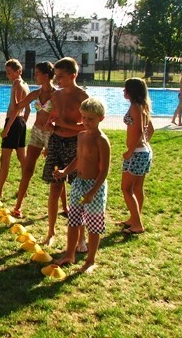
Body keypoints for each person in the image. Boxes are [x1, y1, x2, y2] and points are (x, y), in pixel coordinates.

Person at [54, 97, 111, 273]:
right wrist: (64, 171)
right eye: (84, 118)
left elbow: (104, 170)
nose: (86, 122)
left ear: (101, 118)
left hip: (95, 186)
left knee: (94, 225)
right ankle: (70, 254)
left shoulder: (102, 140)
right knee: (73, 221)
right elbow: (79, 159)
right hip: (79, 183)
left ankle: (90, 260)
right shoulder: (81, 136)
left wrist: (93, 192)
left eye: (90, 119)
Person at [41, 57, 88, 247]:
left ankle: (81, 238)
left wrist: (64, 124)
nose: (57, 79)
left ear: (73, 75)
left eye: (61, 76)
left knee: (78, 191)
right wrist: (50, 125)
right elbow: (52, 117)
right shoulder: (56, 96)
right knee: (54, 189)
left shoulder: (83, 97)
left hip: (75, 145)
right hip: (55, 143)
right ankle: (51, 232)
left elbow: (87, 126)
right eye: (56, 76)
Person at [2, 61, 57, 218]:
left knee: (56, 172)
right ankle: (18, 207)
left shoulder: (56, 95)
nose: (34, 76)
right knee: (27, 169)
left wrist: (52, 127)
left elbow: (61, 115)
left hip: (50, 135)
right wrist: (13, 92)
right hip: (36, 133)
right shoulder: (36, 93)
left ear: (46, 76)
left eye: (37, 74)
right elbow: (18, 106)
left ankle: (65, 207)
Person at [0, 59, 31, 200]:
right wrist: (23, 123)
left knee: (5, 159)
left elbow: (15, 109)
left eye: (9, 72)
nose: (7, 75)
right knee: (22, 158)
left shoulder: (16, 84)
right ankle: (24, 189)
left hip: (13, 123)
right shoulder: (26, 85)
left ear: (18, 71)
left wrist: (7, 129)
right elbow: (28, 109)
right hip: (20, 123)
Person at [119, 77, 154, 235]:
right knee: (137, 188)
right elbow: (151, 129)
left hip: (137, 153)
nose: (123, 91)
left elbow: (140, 130)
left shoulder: (135, 107)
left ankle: (137, 224)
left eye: (125, 88)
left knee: (126, 189)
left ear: (131, 91)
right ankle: (134, 218)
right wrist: (144, 145)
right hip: (144, 151)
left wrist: (131, 150)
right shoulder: (143, 106)